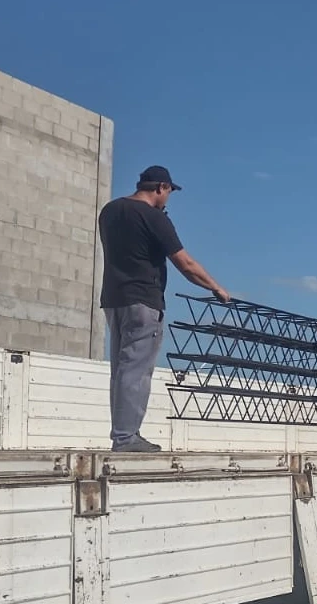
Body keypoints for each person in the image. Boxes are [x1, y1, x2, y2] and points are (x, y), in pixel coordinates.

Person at [99, 165, 231, 452]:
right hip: (144, 301)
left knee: (121, 370)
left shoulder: (109, 211)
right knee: (137, 370)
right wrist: (216, 288)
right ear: (161, 187)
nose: (168, 198)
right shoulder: (153, 218)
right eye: (169, 192)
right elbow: (186, 264)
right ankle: (126, 438)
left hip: (113, 299)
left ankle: (122, 434)